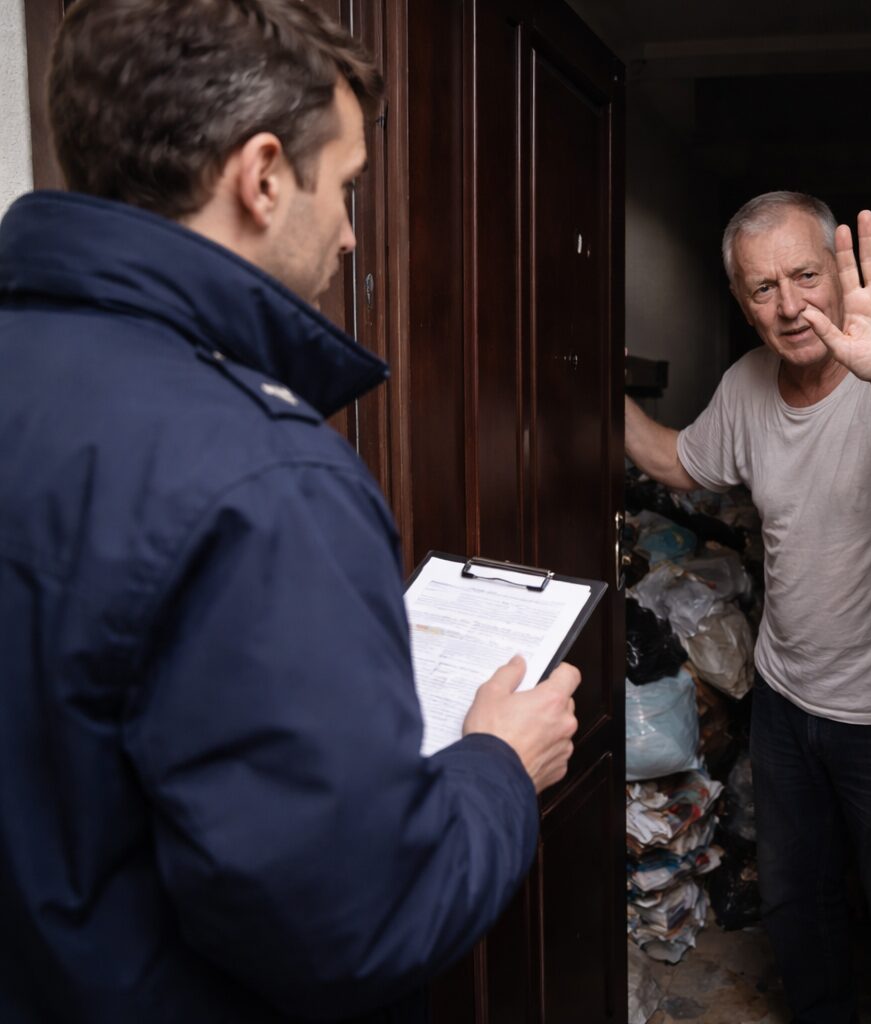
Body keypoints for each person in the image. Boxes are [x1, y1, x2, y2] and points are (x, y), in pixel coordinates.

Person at [0, 1, 580, 1020]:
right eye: (347, 185)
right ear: (263, 176)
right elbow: (358, 917)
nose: (353, 234)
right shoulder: (265, 476)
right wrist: (499, 764)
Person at [624, 191, 871, 1022]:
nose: (790, 306)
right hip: (785, 702)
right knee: (797, 904)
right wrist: (590, 381)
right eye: (764, 288)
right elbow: (678, 463)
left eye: (805, 276)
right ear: (742, 301)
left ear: (840, 272)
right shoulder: (747, 385)